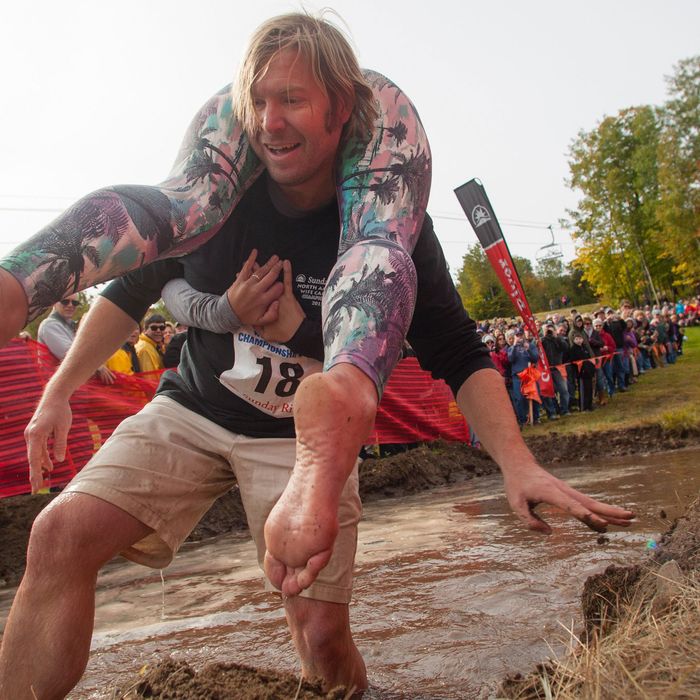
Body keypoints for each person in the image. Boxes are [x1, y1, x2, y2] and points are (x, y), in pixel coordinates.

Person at [0, 12, 634, 699]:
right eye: (261, 102)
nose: (271, 122)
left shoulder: (395, 221)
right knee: (57, 536)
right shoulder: (219, 199)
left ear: (339, 113)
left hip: (304, 442)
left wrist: (519, 465)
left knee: (322, 637)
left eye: (293, 101)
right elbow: (131, 287)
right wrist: (59, 391)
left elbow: (455, 346)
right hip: (196, 406)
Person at [37, 294, 114, 384]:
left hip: (71, 385)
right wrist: (98, 366)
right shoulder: (49, 325)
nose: (70, 305)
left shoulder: (70, 325)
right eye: (65, 301)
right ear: (54, 303)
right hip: (58, 386)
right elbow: (70, 356)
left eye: (75, 303)